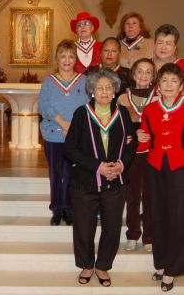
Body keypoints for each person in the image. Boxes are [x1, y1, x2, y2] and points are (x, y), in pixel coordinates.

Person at [64, 69, 137, 287]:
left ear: (115, 90)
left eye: (108, 87)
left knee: (112, 226)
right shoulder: (81, 113)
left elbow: (131, 144)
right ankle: (87, 265)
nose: (104, 91)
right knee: (84, 227)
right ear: (92, 91)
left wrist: (121, 165)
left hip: (115, 180)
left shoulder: (123, 114)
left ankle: (103, 266)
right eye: (99, 88)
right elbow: (69, 149)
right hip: (85, 181)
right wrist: (98, 167)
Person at [137, 63, 184, 292]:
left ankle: (173, 269)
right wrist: (138, 135)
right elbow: (144, 143)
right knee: (157, 215)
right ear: (158, 85)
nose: (168, 85)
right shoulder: (150, 109)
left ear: (181, 86)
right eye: (164, 81)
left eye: (173, 81)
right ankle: (161, 263)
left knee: (177, 217)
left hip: (180, 167)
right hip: (155, 166)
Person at [39, 40, 89, 226]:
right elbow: (44, 106)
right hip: (53, 134)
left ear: (75, 59)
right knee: (56, 173)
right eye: (62, 56)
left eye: (70, 56)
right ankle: (56, 209)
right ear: (56, 59)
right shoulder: (49, 81)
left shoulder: (83, 80)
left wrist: (73, 127)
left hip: (75, 137)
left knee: (71, 174)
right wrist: (62, 123)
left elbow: (86, 107)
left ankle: (68, 208)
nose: (66, 60)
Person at [117, 58, 157, 252]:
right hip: (132, 154)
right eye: (140, 71)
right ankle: (133, 233)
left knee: (150, 195)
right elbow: (118, 127)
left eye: (148, 72)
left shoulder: (159, 97)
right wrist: (134, 132)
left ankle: (149, 236)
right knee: (132, 196)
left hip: (153, 154)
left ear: (153, 77)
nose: (143, 75)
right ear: (133, 74)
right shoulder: (123, 98)